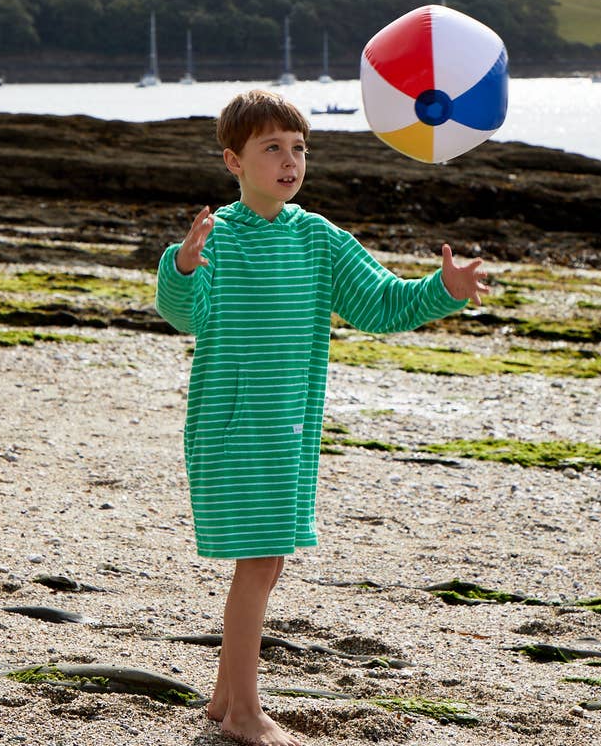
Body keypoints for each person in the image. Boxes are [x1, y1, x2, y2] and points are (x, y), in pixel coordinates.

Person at [155, 89, 488, 746]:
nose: (289, 161)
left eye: (299, 148)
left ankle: (224, 700)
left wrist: (442, 290)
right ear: (234, 161)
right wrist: (184, 263)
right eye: (271, 148)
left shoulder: (318, 237)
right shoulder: (217, 237)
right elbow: (184, 312)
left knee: (266, 562)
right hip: (232, 425)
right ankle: (247, 715)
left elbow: (381, 304)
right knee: (259, 561)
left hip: (289, 430)